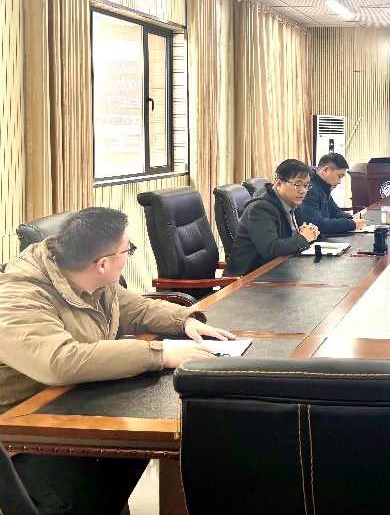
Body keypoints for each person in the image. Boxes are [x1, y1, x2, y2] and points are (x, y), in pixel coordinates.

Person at [0, 206, 234, 514]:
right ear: (103, 264)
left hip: (74, 403)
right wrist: (158, 354)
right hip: (19, 429)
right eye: (128, 250)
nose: (129, 256)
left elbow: (135, 308)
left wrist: (184, 320)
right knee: (80, 494)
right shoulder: (17, 298)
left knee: (133, 454)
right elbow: (60, 361)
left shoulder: (93, 280)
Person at [224, 158, 320, 277]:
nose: (303, 191)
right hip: (250, 278)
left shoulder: (292, 202)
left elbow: (294, 235)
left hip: (279, 269)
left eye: (306, 185)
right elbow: (271, 249)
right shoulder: (260, 209)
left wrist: (309, 233)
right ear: (278, 184)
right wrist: (303, 238)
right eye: (298, 184)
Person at [297, 152, 366, 234]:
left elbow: (334, 212)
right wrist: (350, 224)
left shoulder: (324, 186)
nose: (339, 182)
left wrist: (351, 218)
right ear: (326, 170)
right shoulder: (310, 189)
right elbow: (314, 224)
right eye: (339, 176)